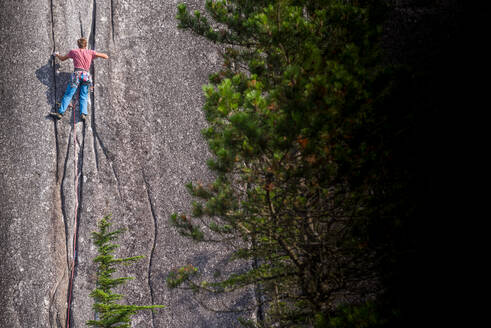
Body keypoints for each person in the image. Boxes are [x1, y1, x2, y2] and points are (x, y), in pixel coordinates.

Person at [49, 38, 108, 121]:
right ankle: (83, 113)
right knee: (83, 95)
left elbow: (62, 59)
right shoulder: (90, 52)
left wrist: (57, 55)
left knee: (69, 94)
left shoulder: (74, 52)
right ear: (86, 45)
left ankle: (60, 113)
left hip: (77, 75)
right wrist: (93, 57)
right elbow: (105, 56)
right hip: (86, 76)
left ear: (78, 44)